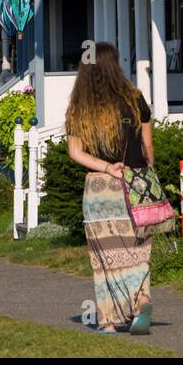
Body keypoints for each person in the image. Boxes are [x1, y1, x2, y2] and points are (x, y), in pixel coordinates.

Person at [65, 42, 155, 335]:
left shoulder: (80, 107)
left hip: (99, 187)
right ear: (115, 66)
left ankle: (108, 320)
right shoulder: (135, 99)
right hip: (135, 182)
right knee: (136, 249)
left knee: (105, 256)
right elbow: (148, 147)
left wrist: (105, 167)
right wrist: (145, 176)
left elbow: (75, 152)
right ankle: (141, 300)